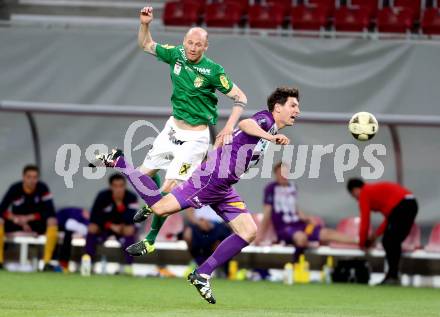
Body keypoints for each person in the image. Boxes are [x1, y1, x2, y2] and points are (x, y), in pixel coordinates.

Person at [92, 86, 300, 304]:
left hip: (224, 185)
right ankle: (119, 161)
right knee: (160, 208)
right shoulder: (266, 121)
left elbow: (233, 138)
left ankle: (202, 274)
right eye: (293, 105)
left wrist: (220, 150)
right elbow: (245, 124)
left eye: (297, 106)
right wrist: (269, 137)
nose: (297, 110)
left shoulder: (271, 130)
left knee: (249, 231)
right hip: (211, 180)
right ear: (278, 107)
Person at [135, 6, 247, 254]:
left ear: (206, 47)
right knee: (142, 177)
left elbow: (241, 98)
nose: (193, 48)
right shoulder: (176, 55)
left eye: (198, 44)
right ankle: (151, 205)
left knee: (169, 187)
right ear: (184, 42)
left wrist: (229, 127)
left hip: (196, 138)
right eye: (189, 42)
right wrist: (145, 24)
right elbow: (146, 45)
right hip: (171, 130)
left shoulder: (213, 71)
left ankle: (151, 238)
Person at [255, 162, 357, 262]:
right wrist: (259, 236)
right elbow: (267, 213)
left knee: (325, 233)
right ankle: (297, 267)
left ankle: (359, 240)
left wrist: (308, 218)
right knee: (301, 238)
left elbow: (294, 209)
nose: (283, 176)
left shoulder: (292, 187)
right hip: (285, 229)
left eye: (285, 173)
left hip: (300, 226)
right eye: (281, 173)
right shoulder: (271, 189)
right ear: (276, 174)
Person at [346, 178, 418, 285]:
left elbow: (365, 221)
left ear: (355, 190)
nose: (356, 199)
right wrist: (375, 236)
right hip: (411, 204)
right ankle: (393, 275)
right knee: (392, 240)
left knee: (390, 241)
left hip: (403, 205)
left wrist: (362, 243)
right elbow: (389, 220)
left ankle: (393, 276)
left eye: (354, 196)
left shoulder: (364, 193)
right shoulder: (375, 191)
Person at [0, 165, 58, 271]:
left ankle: (46, 263)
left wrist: (30, 217)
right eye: (29, 177)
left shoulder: (42, 188)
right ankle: (0, 261)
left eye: (35, 177)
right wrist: (15, 219)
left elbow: (50, 211)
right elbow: (1, 209)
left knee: (52, 221)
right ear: (23, 177)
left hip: (35, 223)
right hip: (16, 223)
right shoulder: (15, 188)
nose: (32, 180)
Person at [84, 173, 139, 274]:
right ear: (111, 187)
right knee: (92, 227)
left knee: (129, 229)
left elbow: (131, 218)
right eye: (115, 186)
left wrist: (119, 204)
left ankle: (129, 266)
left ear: (125, 186)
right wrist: (110, 225)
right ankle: (89, 264)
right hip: (106, 227)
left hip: (122, 229)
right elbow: (95, 217)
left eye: (121, 186)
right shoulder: (102, 196)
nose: (119, 189)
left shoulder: (131, 197)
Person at [182, 205, 231, 271]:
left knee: (220, 242)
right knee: (187, 235)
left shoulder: (224, 195)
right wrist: (199, 223)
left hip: (219, 224)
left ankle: (216, 266)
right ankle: (197, 262)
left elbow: (229, 214)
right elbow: (189, 212)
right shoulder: (192, 195)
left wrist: (212, 224)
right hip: (197, 223)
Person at [56, 207, 90, 272]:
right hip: (63, 229)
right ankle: (62, 265)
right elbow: (69, 224)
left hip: (72, 233)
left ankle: (64, 266)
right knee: (68, 234)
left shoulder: (86, 222)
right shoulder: (71, 214)